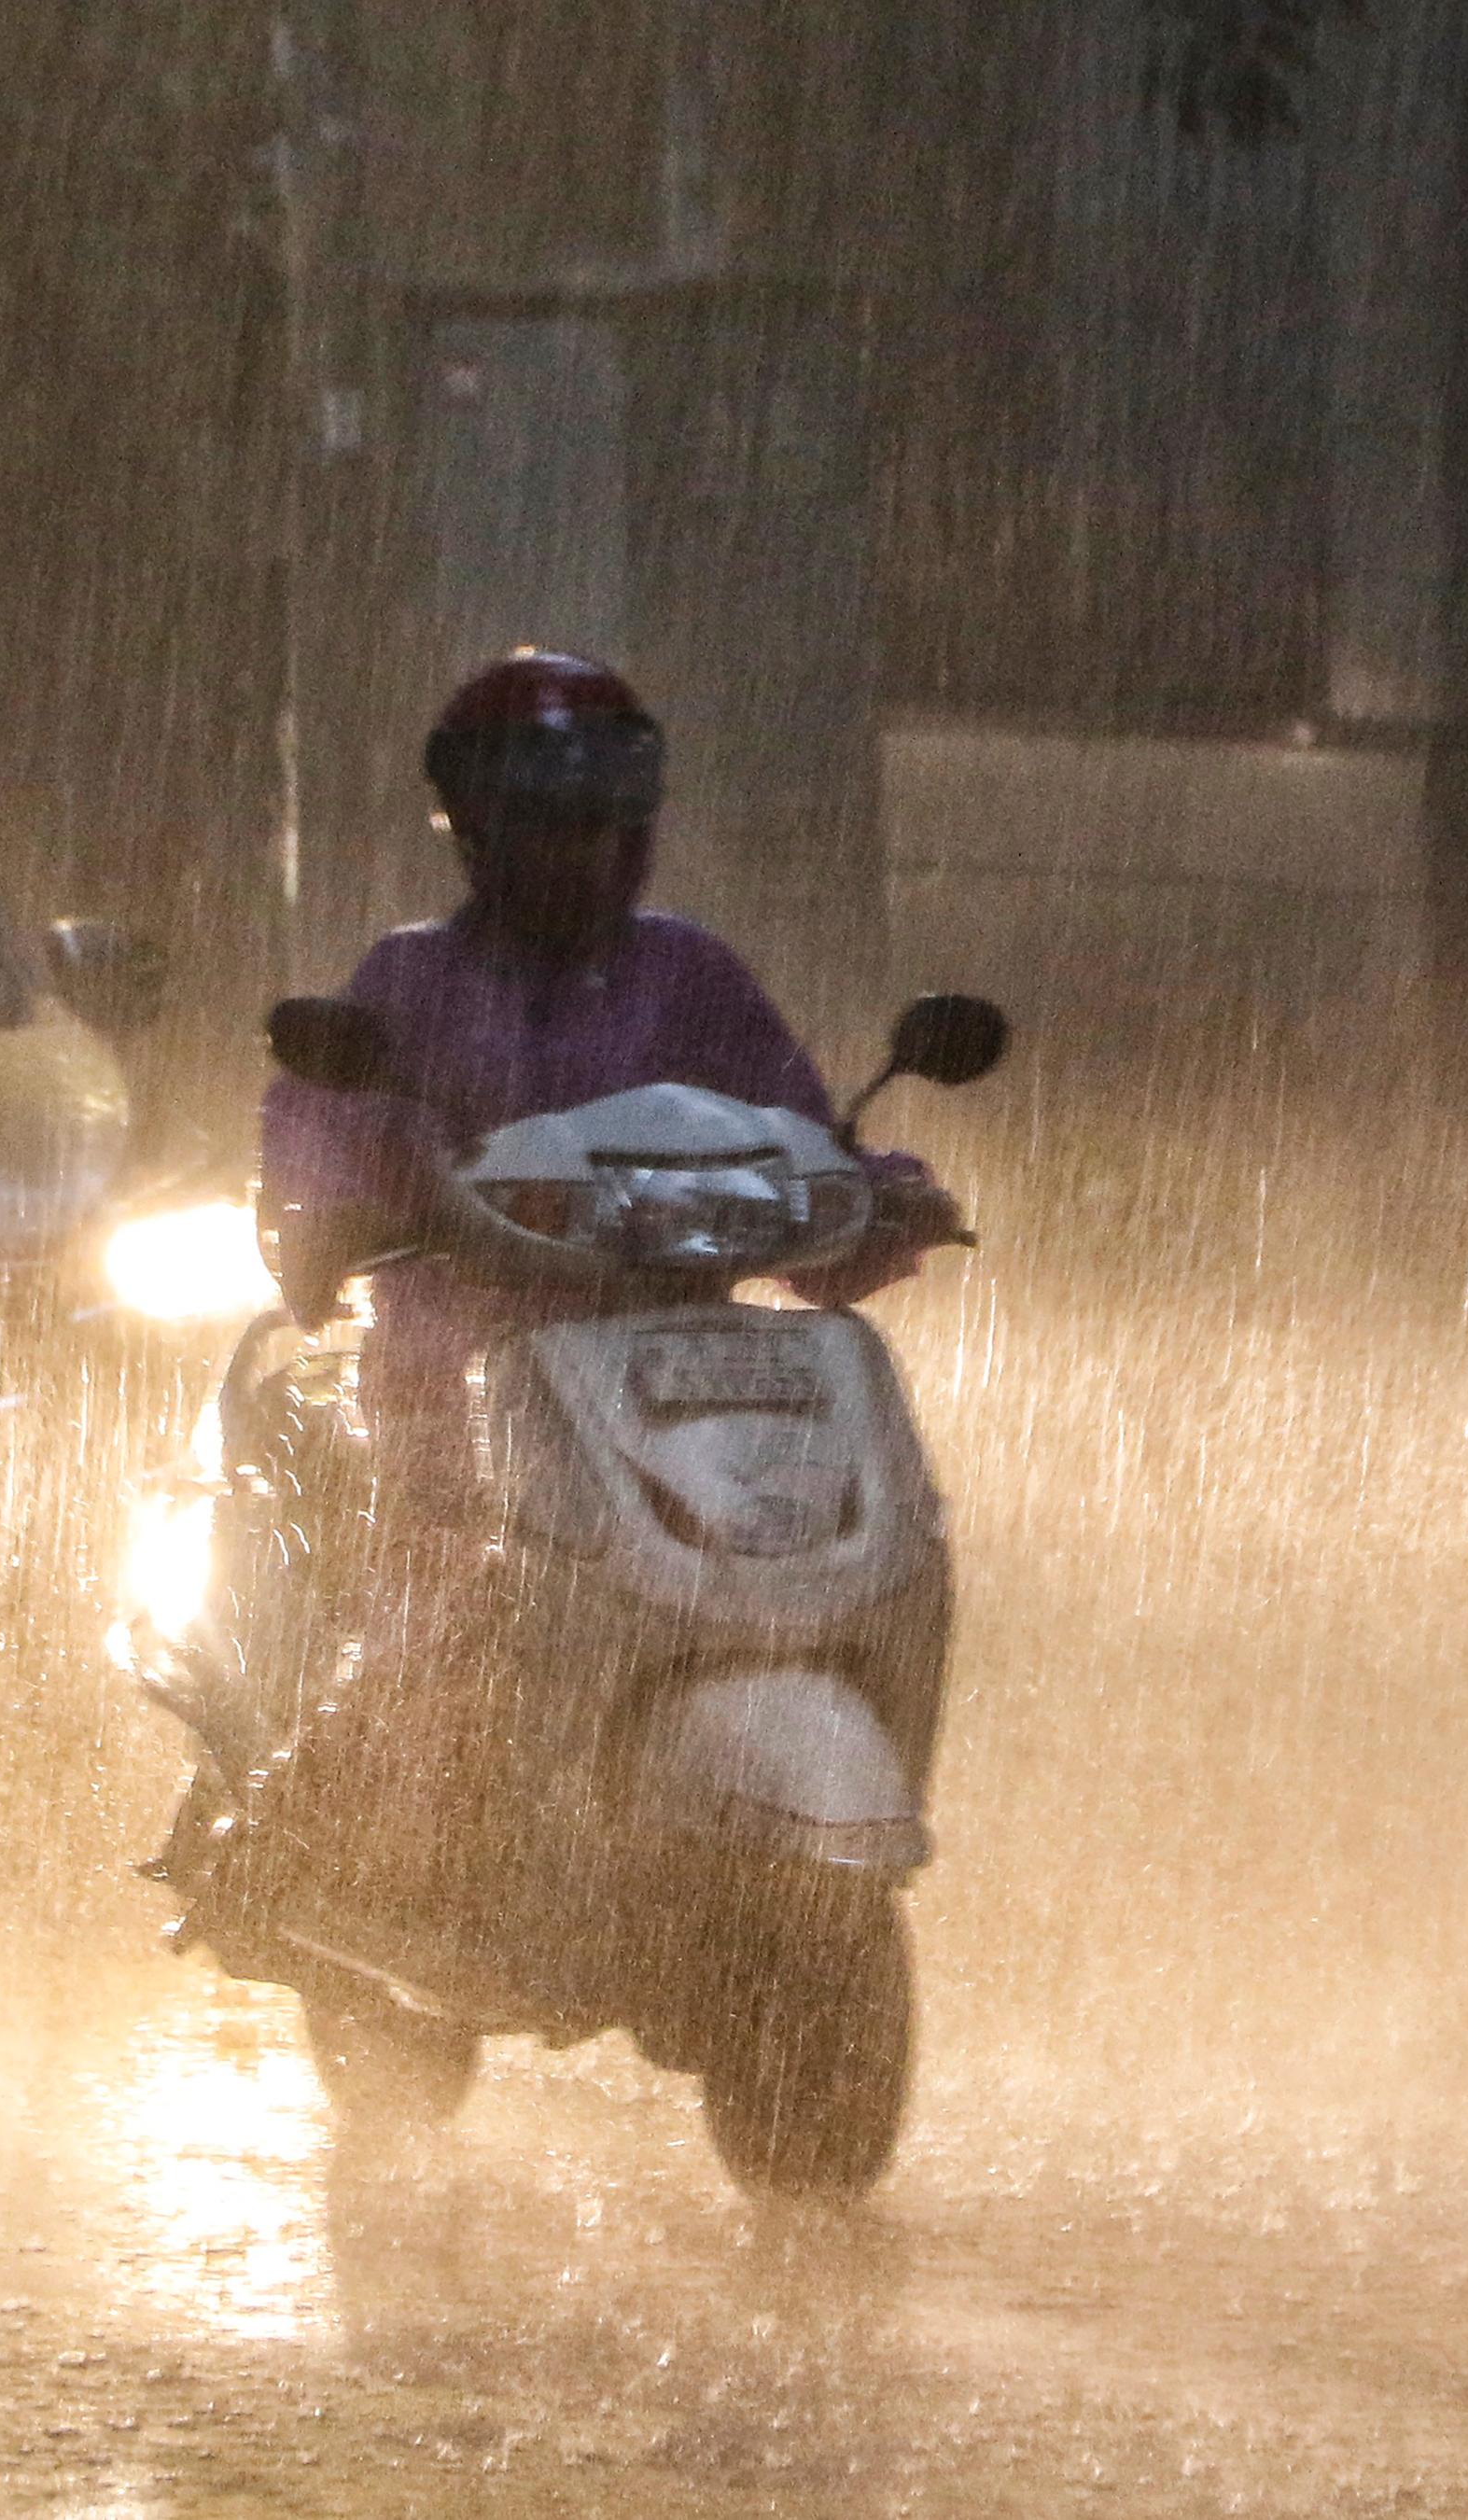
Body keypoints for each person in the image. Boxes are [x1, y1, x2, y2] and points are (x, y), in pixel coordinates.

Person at [253, 651, 948, 1941]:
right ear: (476, 823)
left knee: (872, 1541)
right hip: (458, 1374)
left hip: (685, 1373)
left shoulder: (693, 977)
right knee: (450, 1611)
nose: (582, 848)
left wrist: (884, 1194)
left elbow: (800, 1133)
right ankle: (313, 1832)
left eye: (605, 814)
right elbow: (317, 1138)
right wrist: (340, 1208)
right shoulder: (406, 982)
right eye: (549, 817)